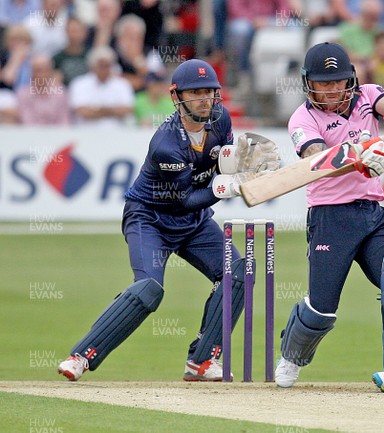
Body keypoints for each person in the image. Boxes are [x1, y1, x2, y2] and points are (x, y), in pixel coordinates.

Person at [57, 58, 279, 382]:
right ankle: (82, 355)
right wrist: (229, 186)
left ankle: (202, 361)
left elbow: (223, 161)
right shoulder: (167, 144)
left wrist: (240, 164)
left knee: (240, 273)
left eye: (210, 92)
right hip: (150, 218)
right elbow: (186, 198)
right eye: (196, 93)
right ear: (177, 97)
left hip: (193, 221)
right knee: (149, 289)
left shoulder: (221, 120)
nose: (204, 99)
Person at [275, 42, 384, 393]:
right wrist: (357, 158)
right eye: (323, 83)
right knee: (321, 311)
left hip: (373, 213)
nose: (331, 90)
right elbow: (316, 160)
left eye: (338, 82)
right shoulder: (303, 118)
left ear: (350, 80)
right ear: (308, 83)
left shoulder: (367, 95)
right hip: (330, 217)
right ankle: (292, 355)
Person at [69, 46, 134, 127]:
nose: (104, 70)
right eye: (101, 66)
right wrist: (112, 111)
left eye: (107, 66)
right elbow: (82, 112)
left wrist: (97, 110)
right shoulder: (79, 84)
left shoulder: (123, 84)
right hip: (86, 133)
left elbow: (127, 110)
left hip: (116, 134)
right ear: (92, 66)